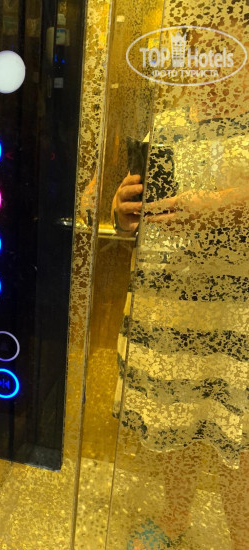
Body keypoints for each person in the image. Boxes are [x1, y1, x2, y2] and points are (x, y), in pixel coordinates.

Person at [111, 81, 248, 549]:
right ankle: (174, 520)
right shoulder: (168, 121)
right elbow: (139, 210)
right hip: (169, 304)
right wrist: (124, 212)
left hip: (238, 311)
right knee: (177, 417)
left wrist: (225, 207)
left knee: (239, 434)